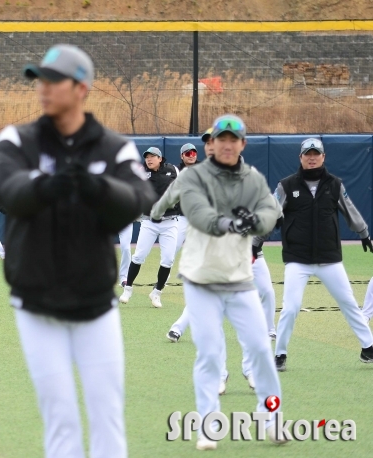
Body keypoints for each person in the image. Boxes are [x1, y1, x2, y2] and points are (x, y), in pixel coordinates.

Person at [0, 44, 157, 458]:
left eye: (54, 80)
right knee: (61, 419)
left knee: (107, 416)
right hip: (36, 302)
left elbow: (138, 200)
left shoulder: (113, 147)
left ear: (81, 87)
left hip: (95, 304)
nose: (43, 89)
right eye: (40, 80)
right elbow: (10, 194)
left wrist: (97, 187)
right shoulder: (18, 139)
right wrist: (44, 186)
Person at [175, 114, 284, 450]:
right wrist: (231, 224)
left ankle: (271, 418)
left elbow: (271, 212)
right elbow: (201, 215)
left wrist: (257, 221)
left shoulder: (252, 180)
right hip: (201, 281)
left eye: (232, 139)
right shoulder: (194, 177)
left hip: (239, 281)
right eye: (220, 138)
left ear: (242, 145)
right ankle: (208, 426)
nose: (226, 143)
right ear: (212, 143)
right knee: (208, 353)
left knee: (261, 351)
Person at [273, 137, 373, 370]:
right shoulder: (286, 185)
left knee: (348, 302)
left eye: (316, 153)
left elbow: (350, 211)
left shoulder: (334, 184)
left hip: (329, 258)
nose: (311, 157)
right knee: (291, 307)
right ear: (300, 157)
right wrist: (257, 241)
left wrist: (364, 233)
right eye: (307, 154)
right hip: (298, 258)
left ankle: (368, 348)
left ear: (323, 157)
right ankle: (280, 354)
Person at [118, 146, 179, 307]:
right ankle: (128, 289)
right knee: (138, 256)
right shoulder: (141, 173)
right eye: (147, 157)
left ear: (160, 158)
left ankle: (157, 292)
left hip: (170, 222)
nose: (149, 159)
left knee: (168, 259)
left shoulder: (173, 170)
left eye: (153, 156)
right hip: (149, 221)